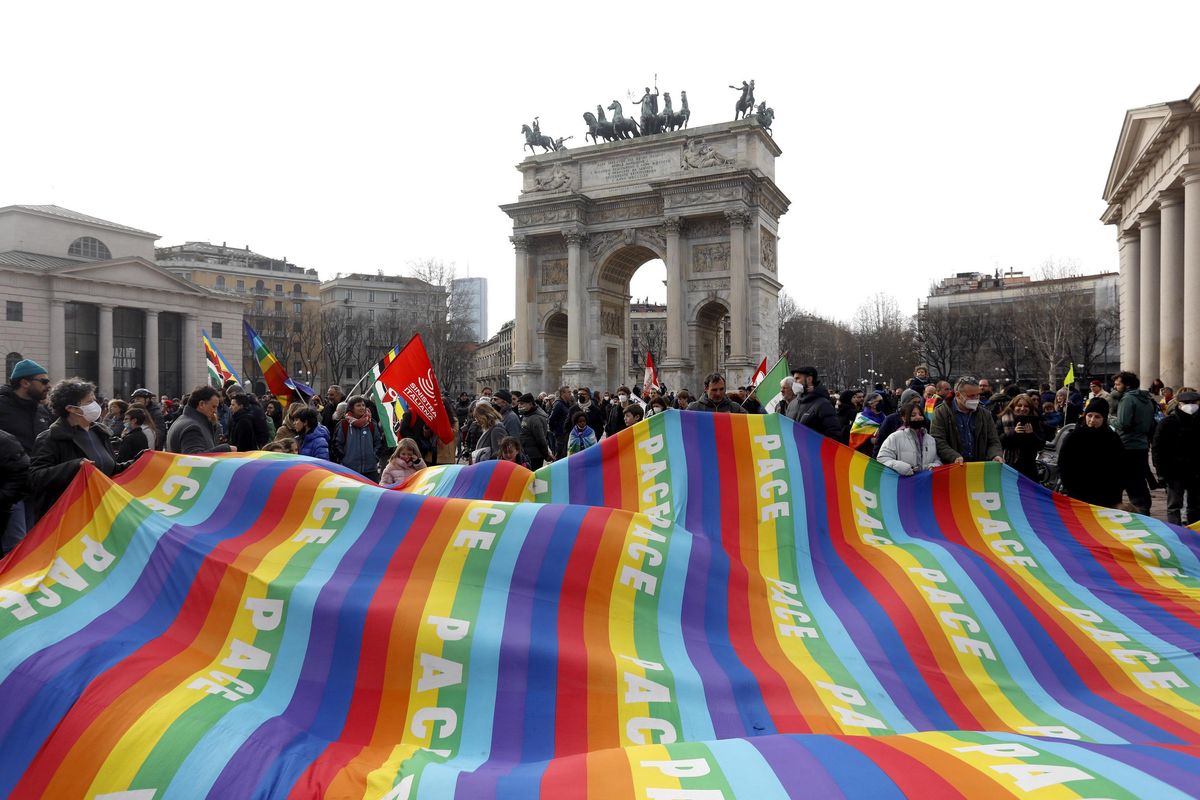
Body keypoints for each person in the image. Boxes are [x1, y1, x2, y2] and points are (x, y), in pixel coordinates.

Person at [29, 379, 135, 518]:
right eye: (88, 402)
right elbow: (36, 477)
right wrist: (74, 466)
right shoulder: (50, 438)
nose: (95, 405)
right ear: (71, 408)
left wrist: (138, 461)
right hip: (70, 516)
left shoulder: (100, 433)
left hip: (102, 511)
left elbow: (109, 469)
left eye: (94, 400)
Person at [1058, 398, 1125, 508]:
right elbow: (1064, 464)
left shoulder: (1112, 438)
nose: (1092, 420)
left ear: (1104, 418)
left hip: (1106, 496)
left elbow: (1120, 467)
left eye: (1097, 417)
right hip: (1079, 494)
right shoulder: (1074, 437)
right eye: (1090, 415)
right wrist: (1071, 488)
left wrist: (1116, 491)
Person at [1109, 371, 1156, 515]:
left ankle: (1136, 512)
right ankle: (1144, 509)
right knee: (1139, 481)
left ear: (1127, 385)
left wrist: (1109, 418)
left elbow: (1123, 424)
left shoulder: (1128, 399)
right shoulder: (1146, 398)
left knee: (1127, 481)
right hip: (1141, 445)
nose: (1115, 387)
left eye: (1118, 384)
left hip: (1127, 445)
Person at [1152, 390, 1200, 525]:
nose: (1190, 406)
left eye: (1193, 403)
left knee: (1195, 506)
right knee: (1174, 506)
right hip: (1174, 472)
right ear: (1179, 404)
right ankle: (1176, 533)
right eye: (1186, 403)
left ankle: (1194, 534)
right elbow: (1157, 449)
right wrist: (1161, 472)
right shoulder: (1167, 423)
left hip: (1196, 472)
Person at [930, 377, 1003, 465]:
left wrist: (995, 455)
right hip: (953, 468)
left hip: (979, 468)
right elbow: (938, 440)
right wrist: (954, 456)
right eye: (971, 396)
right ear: (958, 395)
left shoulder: (985, 414)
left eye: (978, 395)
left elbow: (993, 440)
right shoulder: (941, 412)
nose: (976, 398)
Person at [877, 399, 941, 476]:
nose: (918, 417)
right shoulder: (895, 437)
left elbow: (937, 460)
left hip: (925, 483)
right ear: (904, 418)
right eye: (913, 415)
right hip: (903, 483)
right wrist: (904, 468)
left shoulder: (930, 439)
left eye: (920, 414)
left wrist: (934, 466)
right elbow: (882, 458)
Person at [166, 386, 235, 455]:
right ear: (201, 404)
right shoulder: (192, 427)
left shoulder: (184, 420)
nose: (215, 411)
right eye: (213, 407)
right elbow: (194, 459)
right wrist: (226, 449)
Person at [335, 395, 384, 481]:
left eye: (363, 405)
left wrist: (374, 456)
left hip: (370, 470)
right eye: (358, 405)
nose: (362, 408)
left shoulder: (372, 423)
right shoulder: (344, 424)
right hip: (349, 469)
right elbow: (337, 443)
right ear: (351, 408)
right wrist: (344, 458)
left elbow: (378, 442)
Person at [997, 393, 1045, 481]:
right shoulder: (1003, 419)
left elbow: (1041, 445)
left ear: (1030, 408)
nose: (1022, 409)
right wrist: (1013, 433)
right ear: (1013, 407)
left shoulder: (1035, 421)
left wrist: (1031, 434)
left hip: (1029, 468)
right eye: (1019, 405)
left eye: (1026, 406)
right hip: (1009, 466)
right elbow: (998, 441)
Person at [791, 366, 842, 439]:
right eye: (794, 379)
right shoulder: (793, 404)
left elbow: (834, 434)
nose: (794, 383)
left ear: (809, 379)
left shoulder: (823, 404)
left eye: (797, 378)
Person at [517, 393, 553, 469]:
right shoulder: (527, 415)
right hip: (527, 453)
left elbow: (540, 439)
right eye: (519, 404)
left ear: (530, 404)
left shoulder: (535, 418)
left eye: (522, 404)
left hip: (534, 456)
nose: (519, 406)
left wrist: (546, 455)